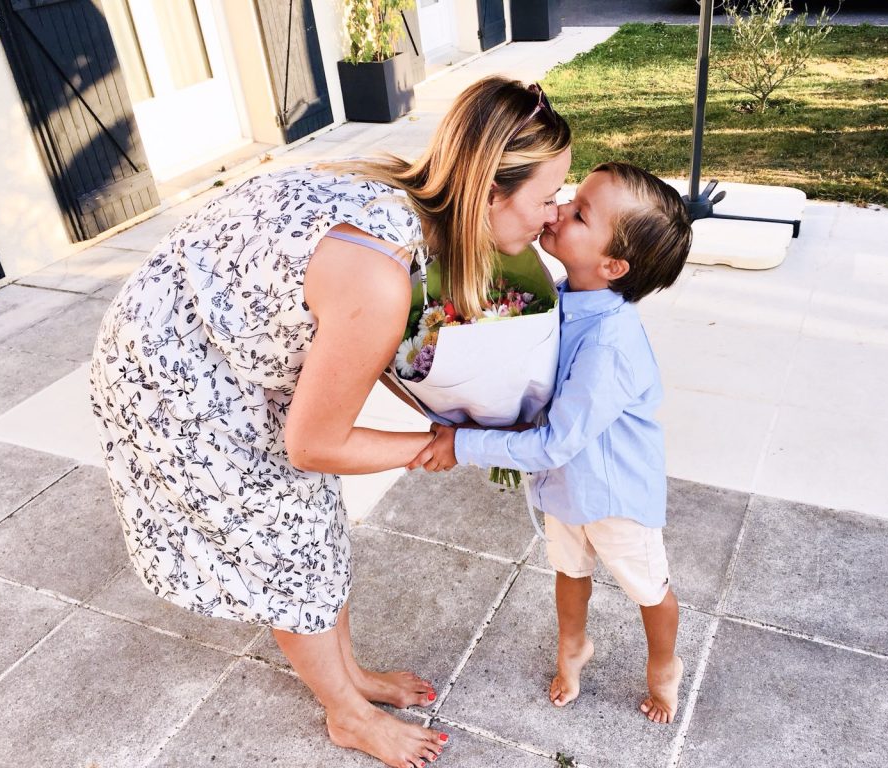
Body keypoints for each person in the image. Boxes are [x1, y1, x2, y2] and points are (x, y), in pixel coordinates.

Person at [88, 76, 571, 768]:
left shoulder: (398, 194)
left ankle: (351, 676)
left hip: (209, 332)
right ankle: (346, 712)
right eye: (547, 195)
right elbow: (315, 443)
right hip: (174, 372)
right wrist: (436, 447)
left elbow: (361, 360)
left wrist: (449, 414)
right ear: (490, 190)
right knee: (289, 548)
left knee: (313, 520)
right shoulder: (379, 276)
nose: (553, 216)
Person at [411, 162, 693, 724]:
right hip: (563, 490)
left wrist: (463, 443)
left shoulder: (610, 344)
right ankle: (573, 647)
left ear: (612, 265)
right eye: (572, 195)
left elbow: (554, 443)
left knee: (647, 588)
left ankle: (664, 667)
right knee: (569, 571)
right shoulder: (558, 296)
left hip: (614, 496)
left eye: (580, 213)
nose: (558, 208)